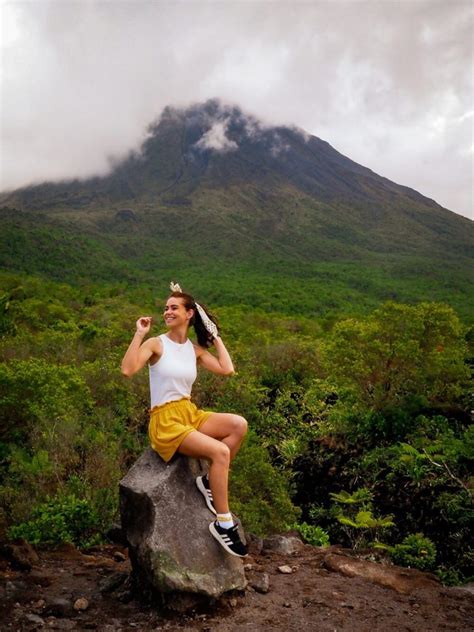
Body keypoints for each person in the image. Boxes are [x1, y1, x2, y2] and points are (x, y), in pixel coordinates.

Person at [121, 282, 248, 558]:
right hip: (165, 420)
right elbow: (128, 369)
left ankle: (207, 484)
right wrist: (139, 334)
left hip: (188, 413)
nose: (167, 312)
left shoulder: (194, 350)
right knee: (220, 451)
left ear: (189, 314)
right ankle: (223, 523)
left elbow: (227, 369)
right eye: (166, 308)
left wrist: (214, 336)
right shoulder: (156, 343)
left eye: (174, 308)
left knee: (239, 425)